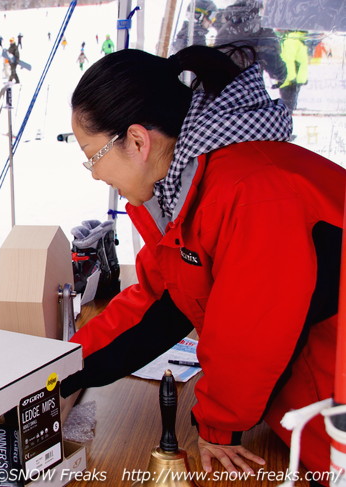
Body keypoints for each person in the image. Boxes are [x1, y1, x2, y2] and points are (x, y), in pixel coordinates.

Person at [62, 46, 344, 477]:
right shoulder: (178, 194)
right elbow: (162, 300)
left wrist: (219, 425)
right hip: (299, 412)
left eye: (92, 156)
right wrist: (65, 366)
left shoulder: (254, 192)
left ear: (137, 141)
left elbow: (252, 331)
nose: (95, 174)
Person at [215, 0, 286, 87]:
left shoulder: (224, 29)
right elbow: (269, 54)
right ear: (258, 8)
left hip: (223, 83)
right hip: (249, 83)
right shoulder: (260, 27)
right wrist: (281, 74)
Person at [277, 30, 309, 112]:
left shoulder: (291, 39)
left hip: (290, 80)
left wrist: (290, 78)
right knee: (290, 106)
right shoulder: (300, 39)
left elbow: (288, 60)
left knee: (287, 108)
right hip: (295, 79)